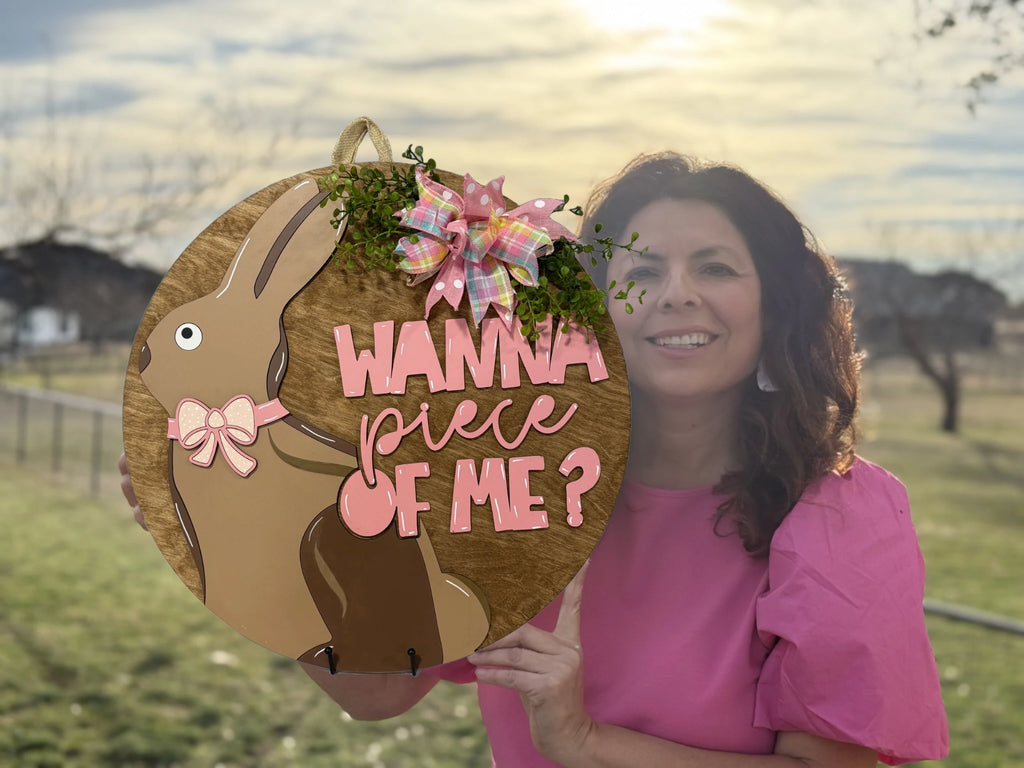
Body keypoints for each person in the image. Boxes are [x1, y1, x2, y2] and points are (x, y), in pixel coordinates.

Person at [121, 152, 949, 767]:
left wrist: (586, 742)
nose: (676, 295)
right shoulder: (508, 485)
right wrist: (246, 542)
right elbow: (377, 691)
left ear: (777, 309)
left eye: (717, 268)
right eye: (643, 271)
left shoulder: (840, 514)